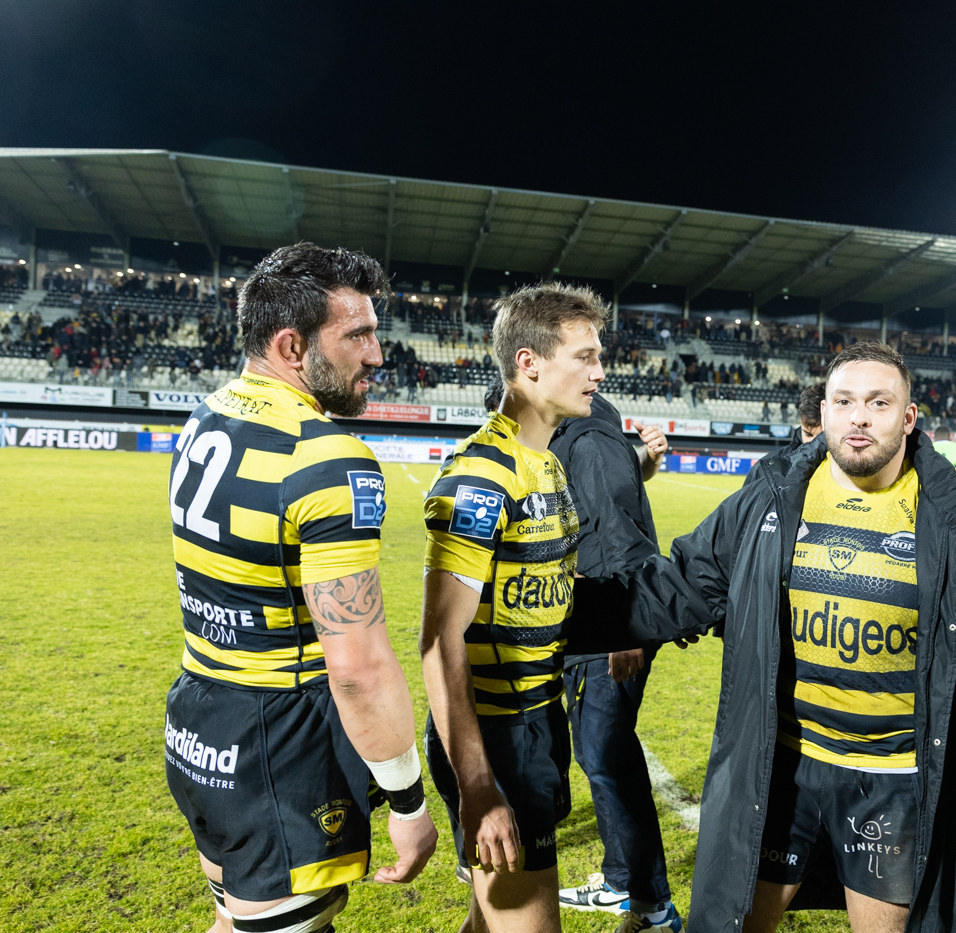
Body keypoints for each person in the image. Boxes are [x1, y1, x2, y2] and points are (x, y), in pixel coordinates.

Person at [572, 342, 956, 933]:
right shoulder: (772, 496)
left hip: (893, 782)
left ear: (909, 418)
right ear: (824, 412)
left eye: (879, 403)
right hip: (781, 770)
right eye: (845, 401)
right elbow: (678, 585)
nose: (860, 418)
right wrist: (550, 616)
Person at [164, 243, 438, 933]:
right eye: (358, 335)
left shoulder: (207, 414)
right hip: (275, 743)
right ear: (291, 346)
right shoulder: (326, 459)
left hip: (199, 717)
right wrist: (408, 802)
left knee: (236, 919)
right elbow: (358, 667)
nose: (377, 355)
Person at [418, 282, 608, 933]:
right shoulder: (481, 476)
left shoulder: (545, 464)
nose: (599, 372)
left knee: (490, 919)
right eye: (584, 357)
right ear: (529, 363)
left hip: (537, 718)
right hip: (495, 734)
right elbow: (440, 640)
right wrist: (478, 785)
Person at [551, 396, 682, 933]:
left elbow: (618, 529)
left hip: (607, 627)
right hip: (593, 622)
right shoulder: (583, 429)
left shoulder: (585, 433)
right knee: (599, 757)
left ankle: (652, 904)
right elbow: (609, 494)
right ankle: (621, 882)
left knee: (608, 760)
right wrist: (646, 462)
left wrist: (622, 627)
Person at [742, 382, 824, 488]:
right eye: (808, 434)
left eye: (822, 437)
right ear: (800, 422)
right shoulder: (765, 470)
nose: (813, 444)